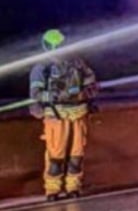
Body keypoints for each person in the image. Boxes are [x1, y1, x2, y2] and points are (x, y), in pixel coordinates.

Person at [28, 29, 98, 201]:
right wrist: (52, 96)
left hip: (78, 113)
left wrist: (85, 94)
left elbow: (92, 83)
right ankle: (52, 189)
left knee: (77, 154)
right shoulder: (42, 68)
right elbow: (35, 92)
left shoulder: (77, 64)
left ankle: (73, 187)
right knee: (55, 155)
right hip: (56, 115)